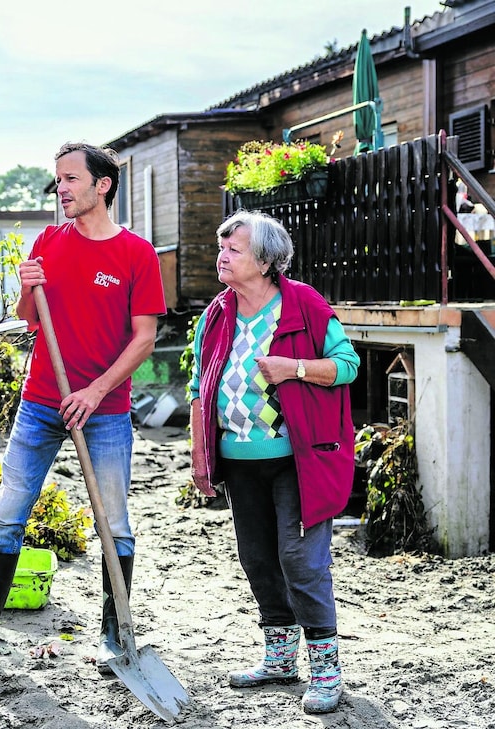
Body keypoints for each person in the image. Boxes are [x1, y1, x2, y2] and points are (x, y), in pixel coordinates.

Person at [0, 141, 166, 675]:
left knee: (115, 524)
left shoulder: (135, 254)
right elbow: (29, 318)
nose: (62, 189)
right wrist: (28, 288)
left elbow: (145, 338)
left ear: (102, 185)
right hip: (41, 402)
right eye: (58, 180)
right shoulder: (49, 241)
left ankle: (113, 633)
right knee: (7, 517)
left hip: (103, 409)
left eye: (71, 179)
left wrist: (96, 391)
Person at [188, 210, 360, 715]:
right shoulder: (217, 314)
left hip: (298, 459)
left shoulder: (304, 305)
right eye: (221, 247)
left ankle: (326, 669)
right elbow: (200, 387)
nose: (222, 256)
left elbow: (347, 365)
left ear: (264, 261)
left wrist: (296, 369)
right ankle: (281, 658)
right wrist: (201, 455)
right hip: (239, 461)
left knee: (300, 561)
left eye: (234, 249)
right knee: (258, 558)